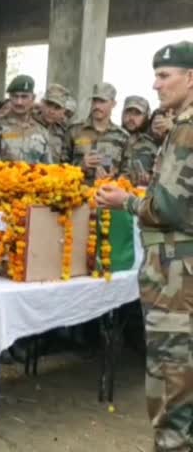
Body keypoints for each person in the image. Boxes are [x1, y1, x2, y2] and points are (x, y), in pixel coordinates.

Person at [96, 41, 193, 452]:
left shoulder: (186, 129)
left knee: (172, 373)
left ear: (191, 77)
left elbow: (169, 205)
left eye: (164, 75)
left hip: (175, 271)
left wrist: (128, 202)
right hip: (176, 265)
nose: (156, 85)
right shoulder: (180, 125)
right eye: (155, 75)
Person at [63, 82, 129, 185]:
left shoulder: (122, 136)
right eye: (95, 101)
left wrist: (113, 178)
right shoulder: (74, 130)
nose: (97, 106)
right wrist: (80, 166)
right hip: (77, 194)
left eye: (102, 101)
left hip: (107, 196)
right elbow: (61, 167)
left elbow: (127, 173)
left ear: (113, 104)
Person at [0, 75, 51, 164]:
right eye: (15, 96)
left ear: (33, 98)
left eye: (24, 97)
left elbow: (48, 168)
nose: (19, 102)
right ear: (10, 98)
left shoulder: (42, 131)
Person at [121, 95, 157, 186]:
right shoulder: (110, 139)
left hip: (138, 197)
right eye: (128, 112)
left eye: (137, 114)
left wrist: (149, 180)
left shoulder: (152, 146)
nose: (131, 118)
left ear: (145, 117)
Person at [36, 84, 70, 163]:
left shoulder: (63, 132)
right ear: (42, 103)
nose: (51, 111)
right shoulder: (28, 125)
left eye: (57, 108)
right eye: (49, 105)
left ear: (63, 111)